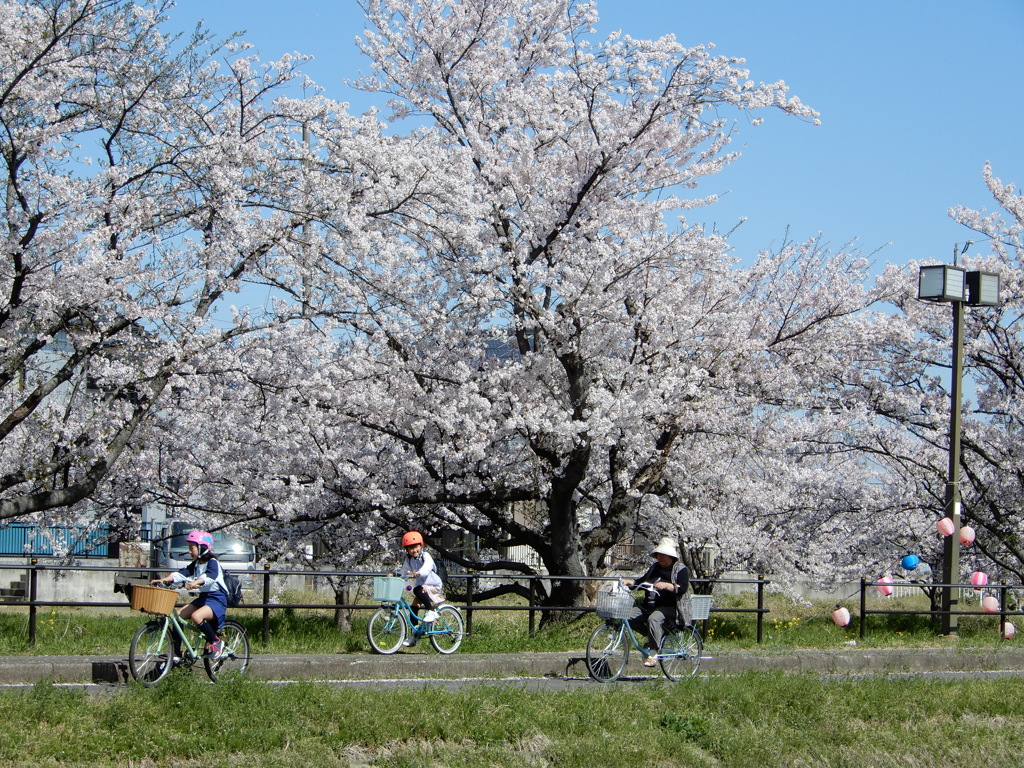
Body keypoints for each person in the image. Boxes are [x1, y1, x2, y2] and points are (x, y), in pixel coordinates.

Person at [150, 529, 227, 657]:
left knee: (196, 616)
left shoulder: (213, 563)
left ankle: (216, 641)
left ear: (202, 548)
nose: (190, 551)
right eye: (189, 548)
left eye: (192, 548)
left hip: (217, 599)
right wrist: (163, 580)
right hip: (204, 598)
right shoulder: (196, 564)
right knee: (177, 616)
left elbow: (209, 577)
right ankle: (176, 651)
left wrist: (195, 582)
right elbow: (182, 574)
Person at [622, 536, 689, 666]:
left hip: (669, 607)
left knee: (654, 619)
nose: (661, 557)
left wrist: (667, 586)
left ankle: (653, 653)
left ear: (671, 556)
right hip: (649, 605)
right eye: (659, 554)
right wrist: (631, 582)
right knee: (626, 616)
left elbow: (683, 587)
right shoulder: (654, 567)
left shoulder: (680, 569)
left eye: (664, 555)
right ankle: (651, 637)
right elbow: (642, 581)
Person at [397, 530, 445, 646]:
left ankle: (432, 611)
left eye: (415, 547)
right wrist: (395, 575)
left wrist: (418, 573)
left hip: (433, 585)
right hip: (422, 588)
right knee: (413, 608)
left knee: (416, 590)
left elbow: (427, 568)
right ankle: (415, 634)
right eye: (410, 548)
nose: (414, 550)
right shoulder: (409, 559)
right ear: (407, 550)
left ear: (421, 545)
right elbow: (403, 571)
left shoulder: (425, 556)